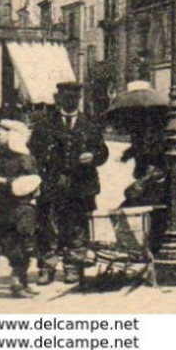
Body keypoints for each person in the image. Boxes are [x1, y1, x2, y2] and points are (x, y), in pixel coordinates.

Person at [30, 80, 108, 285]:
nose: (70, 101)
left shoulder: (90, 124)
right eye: (66, 97)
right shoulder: (44, 125)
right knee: (47, 225)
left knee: (77, 227)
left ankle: (73, 266)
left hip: (81, 185)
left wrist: (93, 155)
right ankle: (47, 267)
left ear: (79, 99)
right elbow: (33, 153)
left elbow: (103, 151)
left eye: (74, 97)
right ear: (58, 98)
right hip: (52, 183)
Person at [0, 118, 41, 298]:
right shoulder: (0, 156)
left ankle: (19, 280)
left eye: (0, 134)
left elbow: (30, 182)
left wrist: (1, 181)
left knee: (22, 241)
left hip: (20, 206)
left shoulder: (24, 158)